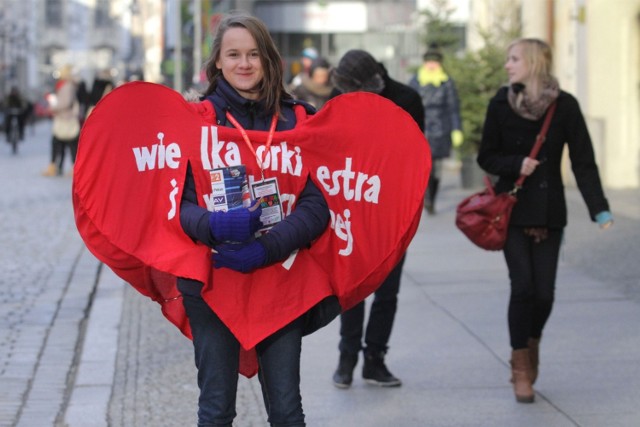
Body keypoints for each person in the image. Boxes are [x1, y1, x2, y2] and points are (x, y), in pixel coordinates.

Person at [178, 13, 335, 426]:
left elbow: (317, 205)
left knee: (286, 411)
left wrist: (267, 246)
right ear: (217, 63)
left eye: (253, 54)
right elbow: (175, 205)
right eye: (233, 54)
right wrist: (216, 226)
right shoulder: (193, 123)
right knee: (215, 411)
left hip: (280, 279)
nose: (243, 64)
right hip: (212, 282)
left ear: (268, 60)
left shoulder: (298, 120)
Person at [477, 38, 613, 403]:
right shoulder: (500, 104)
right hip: (514, 211)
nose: (508, 65)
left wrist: (598, 206)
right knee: (522, 288)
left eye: (514, 59)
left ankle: (530, 343)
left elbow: (583, 160)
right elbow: (486, 156)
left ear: (535, 63)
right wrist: (514, 164)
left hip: (550, 213)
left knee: (545, 295)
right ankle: (521, 367)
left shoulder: (564, 106)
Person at [328, 49, 425, 388]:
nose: (346, 97)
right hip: (352, 208)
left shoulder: (406, 99)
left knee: (388, 290)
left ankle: (375, 360)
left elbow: (415, 156)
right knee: (352, 288)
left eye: (352, 91)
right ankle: (346, 357)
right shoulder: (340, 96)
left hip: (393, 210)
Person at [409, 44, 463, 215]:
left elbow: (453, 106)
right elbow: (408, 104)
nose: (432, 65)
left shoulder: (446, 82)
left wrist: (456, 128)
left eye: (435, 62)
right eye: (429, 62)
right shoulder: (415, 81)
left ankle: (432, 198)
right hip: (421, 127)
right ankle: (425, 196)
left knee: (436, 167)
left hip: (441, 128)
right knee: (422, 167)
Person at [42, 64, 80, 177]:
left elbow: (66, 102)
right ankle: (56, 167)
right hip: (63, 118)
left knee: (65, 143)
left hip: (66, 118)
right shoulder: (65, 85)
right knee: (63, 143)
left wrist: (54, 108)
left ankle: (58, 167)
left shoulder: (67, 85)